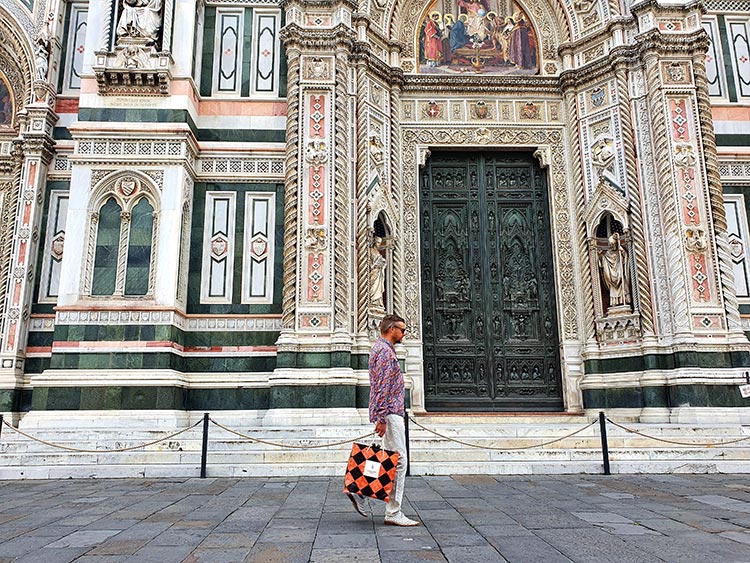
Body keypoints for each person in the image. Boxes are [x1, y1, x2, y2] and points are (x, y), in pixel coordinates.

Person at [346, 314, 420, 527]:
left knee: (387, 457)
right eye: (403, 330)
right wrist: (381, 417)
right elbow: (382, 387)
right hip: (390, 412)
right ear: (391, 329)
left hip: (390, 411)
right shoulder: (385, 353)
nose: (405, 334)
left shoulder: (380, 349)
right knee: (399, 461)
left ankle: (359, 490)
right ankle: (393, 511)